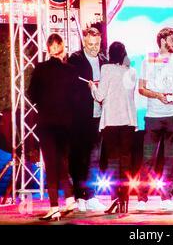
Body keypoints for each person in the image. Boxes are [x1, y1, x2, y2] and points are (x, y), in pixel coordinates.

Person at [28, 33, 78, 221]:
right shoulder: (71, 71)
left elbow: (31, 94)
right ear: (62, 47)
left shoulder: (40, 69)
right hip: (66, 124)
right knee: (63, 161)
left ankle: (54, 206)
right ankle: (71, 198)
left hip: (47, 123)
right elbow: (76, 99)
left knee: (51, 164)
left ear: (48, 48)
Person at [136, 27, 173, 211]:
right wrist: (158, 96)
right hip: (153, 116)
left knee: (171, 158)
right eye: (172, 39)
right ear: (163, 41)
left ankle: (166, 197)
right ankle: (142, 197)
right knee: (149, 158)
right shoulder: (149, 59)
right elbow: (141, 88)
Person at [89, 41, 137, 214]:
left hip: (111, 121)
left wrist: (92, 87)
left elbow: (100, 96)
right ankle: (125, 200)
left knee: (113, 162)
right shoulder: (132, 71)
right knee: (126, 161)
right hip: (128, 121)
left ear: (110, 54)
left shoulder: (106, 69)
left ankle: (115, 200)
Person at [67, 27, 107, 212]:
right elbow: (70, 86)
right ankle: (79, 196)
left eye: (97, 44)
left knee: (94, 158)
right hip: (80, 117)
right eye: (90, 44)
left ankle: (91, 196)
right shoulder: (75, 59)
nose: (93, 48)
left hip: (99, 116)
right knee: (79, 158)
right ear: (84, 42)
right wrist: (89, 88)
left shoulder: (104, 60)